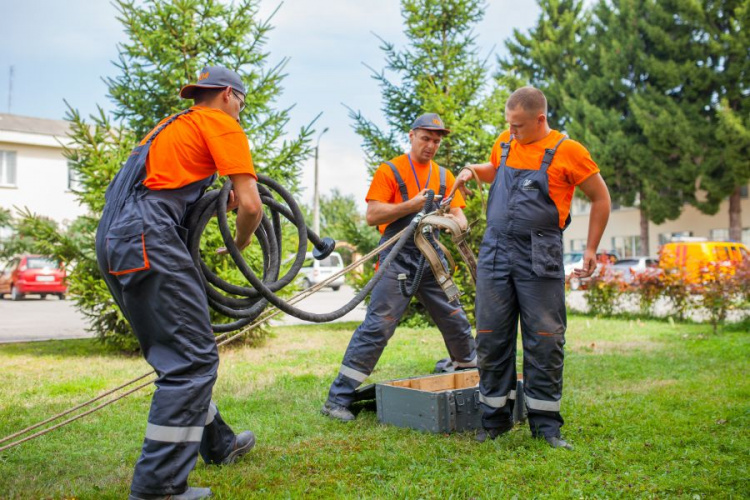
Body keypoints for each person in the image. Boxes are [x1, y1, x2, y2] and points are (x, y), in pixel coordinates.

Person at [95, 66, 263, 500]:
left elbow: (160, 188)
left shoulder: (169, 128)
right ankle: (159, 488)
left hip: (116, 237)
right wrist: (240, 242)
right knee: (191, 361)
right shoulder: (221, 123)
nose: (240, 113)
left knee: (180, 354)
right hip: (148, 236)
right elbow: (251, 205)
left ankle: (220, 445)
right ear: (228, 95)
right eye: (241, 103)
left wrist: (208, 197)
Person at [450, 87, 611, 449]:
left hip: (541, 252)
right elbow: (495, 169)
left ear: (541, 119)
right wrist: (471, 171)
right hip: (495, 251)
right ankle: (494, 421)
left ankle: (546, 427)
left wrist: (590, 248)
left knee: (545, 339)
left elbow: (601, 198)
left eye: (519, 125)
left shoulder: (569, 151)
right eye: (509, 125)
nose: (512, 132)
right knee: (490, 336)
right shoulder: (506, 142)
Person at [321, 113, 478, 422]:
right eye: (426, 138)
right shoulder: (391, 171)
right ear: (411, 136)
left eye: (436, 140)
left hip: (431, 259)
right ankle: (337, 399)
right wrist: (413, 205)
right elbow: (373, 215)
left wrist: (453, 222)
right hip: (396, 258)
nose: (431, 145)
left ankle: (471, 382)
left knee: (455, 319)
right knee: (378, 326)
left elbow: (459, 216)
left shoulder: (445, 177)